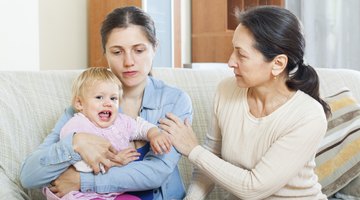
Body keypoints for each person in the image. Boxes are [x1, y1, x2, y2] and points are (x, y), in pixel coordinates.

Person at [20, 6, 192, 200]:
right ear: (106, 53)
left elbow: (156, 172)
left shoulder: (174, 101)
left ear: (155, 48)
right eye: (117, 52)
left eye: (139, 50)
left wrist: (81, 180)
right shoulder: (84, 107)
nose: (129, 62)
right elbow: (29, 176)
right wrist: (74, 143)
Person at [159, 6, 331, 200]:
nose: (231, 61)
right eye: (233, 50)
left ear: (278, 64)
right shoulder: (226, 90)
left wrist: (192, 149)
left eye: (241, 55)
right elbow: (210, 159)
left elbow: (253, 188)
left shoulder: (309, 115)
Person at [43, 67, 172, 200]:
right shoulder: (76, 126)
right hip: (79, 193)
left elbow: (140, 127)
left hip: (110, 191)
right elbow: (79, 164)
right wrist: (113, 162)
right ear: (80, 103)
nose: (108, 103)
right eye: (99, 97)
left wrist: (154, 134)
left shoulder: (120, 121)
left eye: (113, 98)